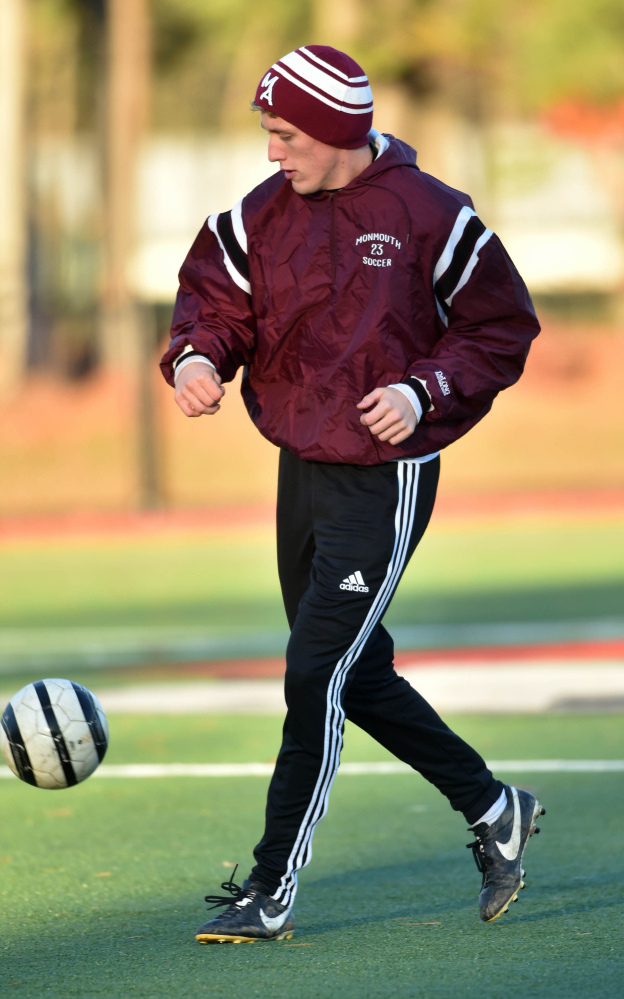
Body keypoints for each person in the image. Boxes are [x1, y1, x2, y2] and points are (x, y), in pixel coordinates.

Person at [160, 45, 544, 944]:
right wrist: (195, 358)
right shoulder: (257, 216)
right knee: (353, 675)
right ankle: (495, 810)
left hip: (386, 477)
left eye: (284, 133)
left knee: (313, 674)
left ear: (334, 132)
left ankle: (271, 888)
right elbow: (213, 305)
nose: (270, 153)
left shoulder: (432, 215)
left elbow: (500, 328)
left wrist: (423, 392)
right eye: (267, 132)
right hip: (304, 466)